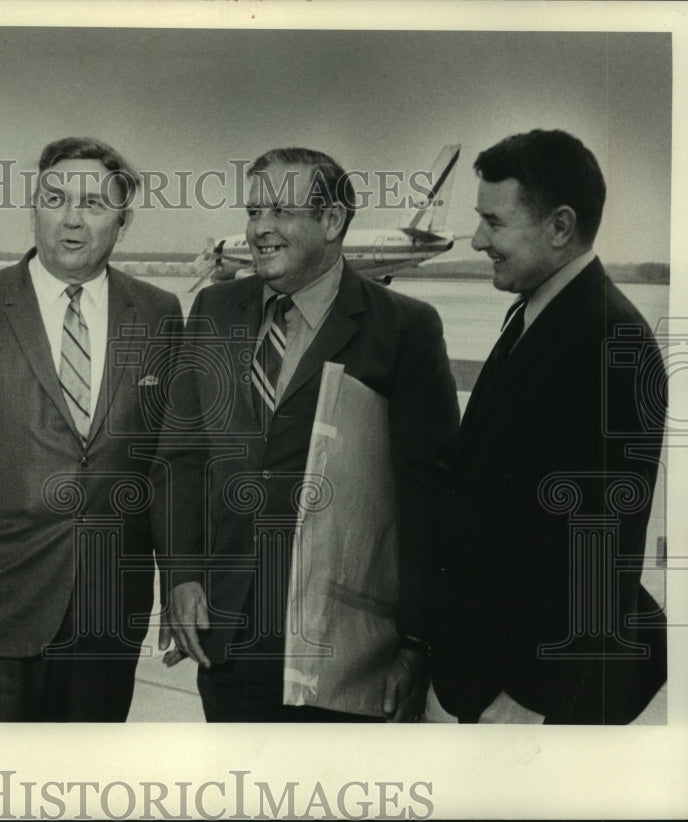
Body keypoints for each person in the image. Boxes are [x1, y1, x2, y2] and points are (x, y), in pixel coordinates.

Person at [159, 147, 459, 722]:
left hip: (346, 648)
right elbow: (180, 459)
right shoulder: (214, 310)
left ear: (332, 221)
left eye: (280, 211)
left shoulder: (405, 328)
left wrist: (417, 645)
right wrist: (181, 576)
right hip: (227, 637)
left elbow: (430, 501)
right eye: (253, 212)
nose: (259, 229)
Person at [0, 137, 183, 721]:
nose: (72, 218)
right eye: (55, 197)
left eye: (94, 203)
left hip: (106, 621)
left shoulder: (159, 315)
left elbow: (166, 469)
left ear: (123, 223)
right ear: (34, 207)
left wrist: (180, 582)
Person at [431, 129, 668, 724]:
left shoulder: (610, 339)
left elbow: (599, 543)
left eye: (495, 222)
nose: (479, 240)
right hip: (485, 673)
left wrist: (531, 698)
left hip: (528, 698)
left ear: (560, 227)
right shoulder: (541, 312)